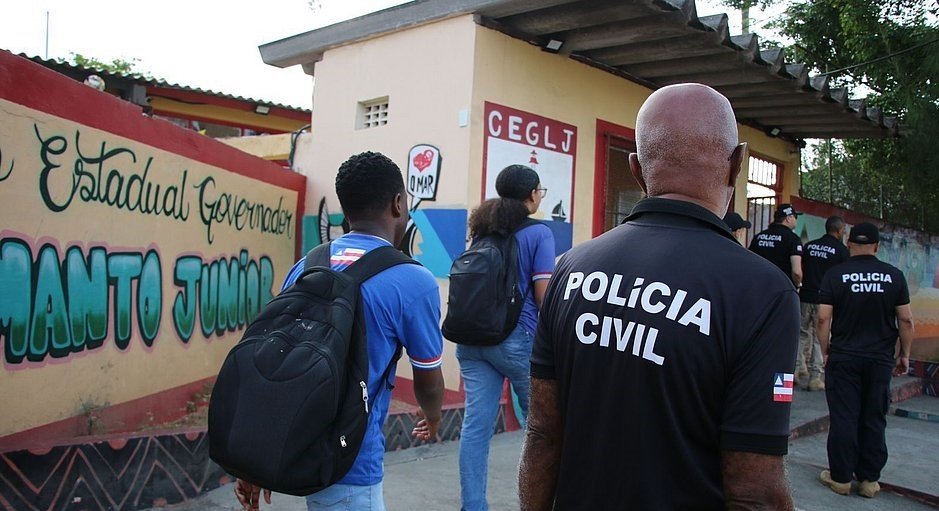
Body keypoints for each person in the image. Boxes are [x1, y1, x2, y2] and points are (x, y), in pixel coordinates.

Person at [519, 84, 798, 510]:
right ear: (736, 163)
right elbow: (755, 492)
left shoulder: (572, 268)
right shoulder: (762, 291)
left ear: (636, 169)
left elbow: (543, 434)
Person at [234, 152, 445, 511]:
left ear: (346, 211)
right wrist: (434, 415)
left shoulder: (307, 265)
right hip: (351, 461)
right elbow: (428, 376)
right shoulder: (414, 280)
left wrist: (254, 458)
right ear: (398, 204)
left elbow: (275, 358)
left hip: (298, 444)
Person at [458, 164, 555, 511]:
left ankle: (473, 506)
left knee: (475, 428)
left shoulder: (483, 230)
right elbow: (544, 297)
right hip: (516, 341)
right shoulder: (538, 234)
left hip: (471, 342)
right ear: (531, 195)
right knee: (545, 430)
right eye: (540, 191)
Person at [816, 222, 914, 498]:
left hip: (844, 357)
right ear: (877, 246)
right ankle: (870, 480)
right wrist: (904, 354)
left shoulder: (836, 275)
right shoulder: (894, 276)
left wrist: (826, 350)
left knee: (844, 416)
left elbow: (824, 318)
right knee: (873, 416)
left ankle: (841, 478)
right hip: (880, 360)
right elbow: (906, 319)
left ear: (848, 243)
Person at [798, 216, 849, 391]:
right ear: (839, 230)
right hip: (825, 301)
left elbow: (800, 267)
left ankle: (797, 370)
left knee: (802, 333)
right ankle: (815, 377)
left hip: (805, 295)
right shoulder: (841, 251)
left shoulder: (810, 246)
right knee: (820, 338)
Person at [749, 203, 804, 288]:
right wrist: (798, 284)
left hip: (758, 285)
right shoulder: (793, 239)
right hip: (782, 288)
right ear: (788, 218)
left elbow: (750, 261)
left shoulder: (759, 236)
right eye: (795, 217)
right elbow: (796, 271)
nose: (796, 220)